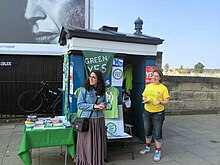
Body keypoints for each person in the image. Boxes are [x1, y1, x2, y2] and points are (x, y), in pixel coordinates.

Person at [74, 70, 106, 165]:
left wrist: (104, 106)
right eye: (90, 77)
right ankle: (85, 161)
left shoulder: (103, 90)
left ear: (99, 79)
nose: (91, 79)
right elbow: (80, 105)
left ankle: (96, 161)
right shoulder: (84, 89)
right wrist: (94, 106)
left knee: (97, 142)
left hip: (99, 119)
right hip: (87, 120)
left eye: (94, 77)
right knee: (86, 143)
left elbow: (106, 103)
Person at [139, 69, 170, 161]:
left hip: (158, 113)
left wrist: (159, 102)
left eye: (156, 76)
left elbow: (166, 101)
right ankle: (147, 147)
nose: (154, 77)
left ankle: (158, 151)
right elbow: (144, 95)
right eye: (153, 75)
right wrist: (144, 99)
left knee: (157, 133)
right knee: (147, 131)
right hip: (147, 111)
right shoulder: (148, 86)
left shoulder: (163, 88)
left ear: (160, 78)